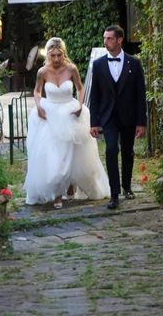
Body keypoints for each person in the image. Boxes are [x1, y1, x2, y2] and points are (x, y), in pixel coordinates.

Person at [24, 37, 110, 208]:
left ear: (64, 54)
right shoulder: (42, 72)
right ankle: (57, 193)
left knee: (73, 152)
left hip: (70, 111)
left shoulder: (71, 69)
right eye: (53, 55)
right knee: (54, 153)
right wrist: (39, 106)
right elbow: (37, 91)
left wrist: (80, 105)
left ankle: (71, 186)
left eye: (59, 55)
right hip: (50, 114)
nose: (56, 59)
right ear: (48, 55)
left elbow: (80, 88)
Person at [89, 25, 147, 209]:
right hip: (108, 118)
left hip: (129, 116)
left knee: (128, 151)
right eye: (105, 38)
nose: (106, 42)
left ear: (119, 40)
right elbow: (95, 97)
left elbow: (140, 95)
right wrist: (94, 123)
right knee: (111, 150)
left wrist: (141, 122)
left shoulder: (134, 63)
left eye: (109, 39)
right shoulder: (98, 65)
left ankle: (127, 187)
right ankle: (114, 194)